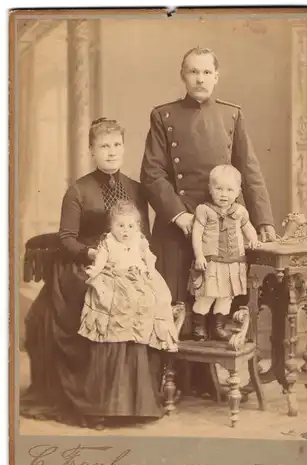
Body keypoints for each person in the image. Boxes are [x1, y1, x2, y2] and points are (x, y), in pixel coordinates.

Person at [140, 46, 276, 397]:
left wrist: (263, 221)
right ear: (182, 76)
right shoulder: (163, 115)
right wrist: (181, 214)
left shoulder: (232, 115)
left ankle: (205, 380)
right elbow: (152, 173)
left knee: (216, 298)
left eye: (206, 72)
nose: (199, 78)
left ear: (217, 76)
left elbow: (249, 170)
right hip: (177, 222)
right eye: (192, 72)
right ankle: (171, 380)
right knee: (176, 300)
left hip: (226, 226)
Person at [21, 118, 166, 429]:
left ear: (124, 148)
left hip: (127, 261)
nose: (111, 152)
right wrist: (92, 254)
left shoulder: (137, 189)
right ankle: (95, 406)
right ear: (91, 151)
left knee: (143, 298)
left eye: (116, 145)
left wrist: (137, 265)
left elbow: (145, 236)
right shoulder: (78, 190)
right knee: (99, 301)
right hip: (85, 263)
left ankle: (132, 402)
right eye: (103, 146)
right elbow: (65, 238)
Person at [78, 199, 178, 353]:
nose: (125, 231)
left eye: (130, 226)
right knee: (116, 300)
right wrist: (95, 270)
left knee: (157, 297)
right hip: (115, 275)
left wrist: (150, 270)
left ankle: (161, 337)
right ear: (112, 226)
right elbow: (101, 259)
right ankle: (118, 337)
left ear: (137, 226)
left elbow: (148, 256)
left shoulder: (138, 239)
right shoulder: (109, 241)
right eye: (120, 226)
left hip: (139, 274)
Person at [188, 165, 260, 341]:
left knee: (226, 296)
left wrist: (254, 239)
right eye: (218, 189)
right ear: (210, 190)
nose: (223, 194)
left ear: (237, 192)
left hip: (233, 262)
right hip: (212, 261)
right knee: (208, 294)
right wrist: (199, 255)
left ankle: (218, 327)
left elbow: (247, 226)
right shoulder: (204, 210)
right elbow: (196, 234)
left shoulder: (240, 211)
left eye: (229, 190)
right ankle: (199, 327)